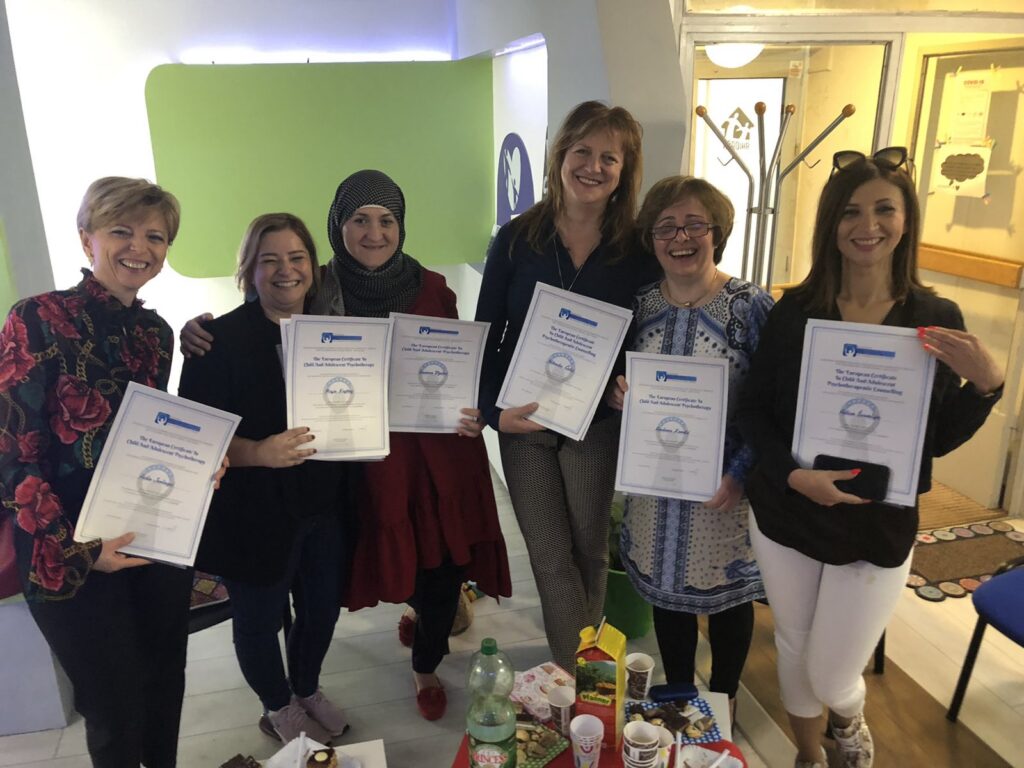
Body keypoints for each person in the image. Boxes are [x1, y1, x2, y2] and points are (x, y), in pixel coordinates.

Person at [181, 170, 512, 721]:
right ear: (338, 226)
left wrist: (474, 408)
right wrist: (195, 331)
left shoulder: (431, 287)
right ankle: (286, 701)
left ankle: (418, 659)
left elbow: (459, 364)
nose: (374, 232)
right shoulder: (316, 289)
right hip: (354, 462)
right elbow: (256, 331)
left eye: (386, 220)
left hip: (430, 455)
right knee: (370, 562)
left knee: (433, 565)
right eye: (359, 219)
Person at [735, 148, 1004, 768]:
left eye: (885, 209)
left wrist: (988, 388)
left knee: (833, 674)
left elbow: (933, 439)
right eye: (851, 211)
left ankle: (848, 716)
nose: (868, 225)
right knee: (795, 644)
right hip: (788, 511)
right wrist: (794, 475)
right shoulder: (797, 311)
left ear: (906, 221)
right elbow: (753, 410)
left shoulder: (933, 319)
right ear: (831, 223)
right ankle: (810, 755)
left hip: (876, 521)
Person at [0, 177, 210, 767]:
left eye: (155, 236)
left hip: (148, 535)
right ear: (86, 238)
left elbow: (150, 434)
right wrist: (80, 551)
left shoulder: (156, 334)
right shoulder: (35, 318)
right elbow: (13, 456)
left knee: (164, 684)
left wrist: (197, 465)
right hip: (66, 547)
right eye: (121, 231)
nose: (139, 247)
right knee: (114, 707)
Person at [475, 100, 658, 672]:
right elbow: (486, 334)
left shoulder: (638, 250)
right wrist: (492, 413)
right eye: (582, 151)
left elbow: (649, 337)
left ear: (625, 170)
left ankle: (581, 671)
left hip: (594, 425)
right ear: (560, 155)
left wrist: (630, 385)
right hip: (524, 422)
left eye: (609, 157)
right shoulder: (516, 239)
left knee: (589, 551)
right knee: (551, 555)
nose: (593, 167)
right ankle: (583, 676)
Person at [178, 213, 351, 745]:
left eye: (297, 258)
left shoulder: (336, 334)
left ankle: (307, 688)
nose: (285, 270)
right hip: (251, 510)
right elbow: (197, 437)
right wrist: (258, 452)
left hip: (323, 503)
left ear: (313, 267)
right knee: (258, 619)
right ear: (248, 271)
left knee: (321, 610)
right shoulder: (215, 340)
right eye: (269, 260)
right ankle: (277, 706)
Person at [608, 176, 772, 720]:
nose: (680, 238)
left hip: (723, 490)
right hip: (655, 489)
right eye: (666, 227)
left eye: (694, 224)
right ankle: (679, 698)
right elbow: (613, 376)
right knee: (666, 597)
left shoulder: (749, 305)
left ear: (716, 231)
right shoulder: (638, 304)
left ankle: (723, 705)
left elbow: (776, 402)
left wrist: (741, 473)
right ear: (651, 239)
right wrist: (616, 393)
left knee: (729, 600)